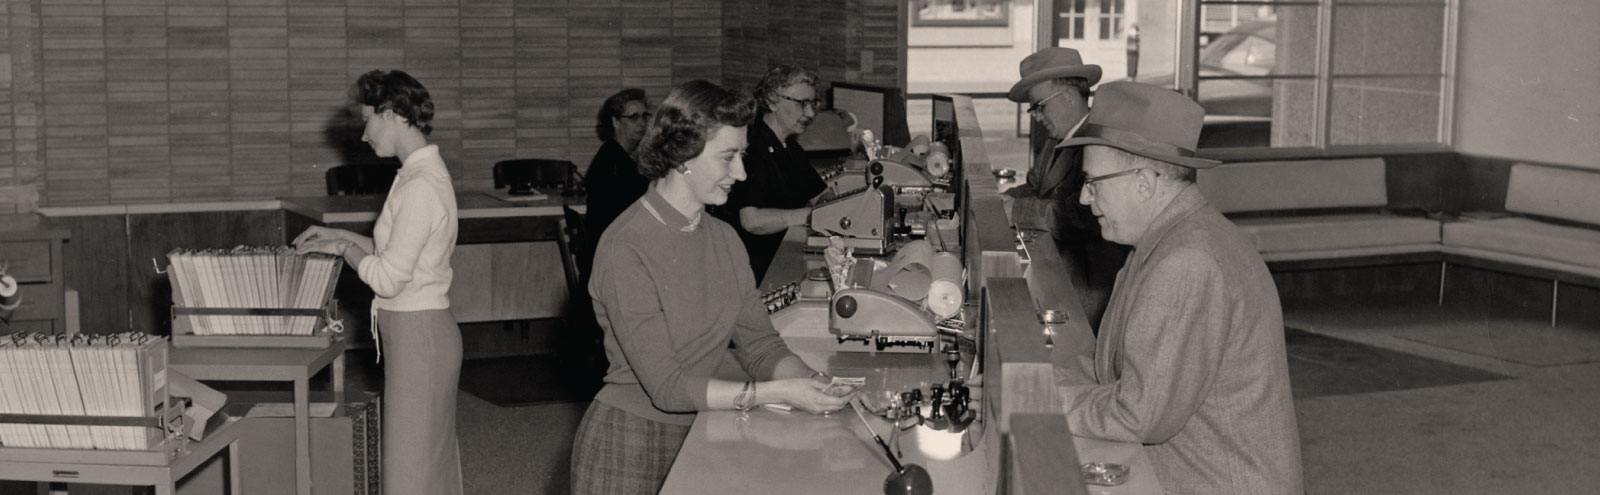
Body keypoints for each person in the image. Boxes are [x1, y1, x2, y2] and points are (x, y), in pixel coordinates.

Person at [571, 80, 853, 495]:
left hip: (709, 428)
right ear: (683, 154)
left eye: (742, 155)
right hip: (631, 444)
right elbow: (668, 388)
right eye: (729, 157)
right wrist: (779, 392)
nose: (740, 173)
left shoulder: (723, 238)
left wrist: (817, 385)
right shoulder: (625, 246)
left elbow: (761, 347)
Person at [1054, 81, 1303, 494]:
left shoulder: (1186, 262)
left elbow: (1138, 415)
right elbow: (1113, 369)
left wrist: (1041, 398)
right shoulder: (1166, 239)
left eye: (1093, 182)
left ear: (1144, 183)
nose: (1083, 198)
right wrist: (1035, 377)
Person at [293, 70, 463, 495]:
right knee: (423, 468)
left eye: (368, 121)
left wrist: (342, 251)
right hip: (418, 334)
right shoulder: (415, 174)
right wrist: (340, 237)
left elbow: (387, 279)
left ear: (391, 114)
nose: (365, 135)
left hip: (419, 335)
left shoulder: (421, 184)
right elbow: (393, 250)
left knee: (409, 474)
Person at [1003, 47, 1126, 328]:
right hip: (1055, 271)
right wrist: (1002, 199)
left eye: (1040, 106)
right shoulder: (1056, 137)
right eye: (1032, 109)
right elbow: (1036, 185)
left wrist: (1016, 211)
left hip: (1088, 289)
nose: (1036, 116)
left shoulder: (1097, 143)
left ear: (1069, 97)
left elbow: (1082, 215)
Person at [717, 65, 829, 284]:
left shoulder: (790, 146)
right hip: (753, 268)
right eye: (801, 103)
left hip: (781, 253)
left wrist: (828, 208)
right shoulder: (752, 146)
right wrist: (814, 215)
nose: (810, 113)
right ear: (771, 101)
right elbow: (751, 220)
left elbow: (821, 193)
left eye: (813, 103)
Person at [583, 88, 652, 276]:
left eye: (644, 116)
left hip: (609, 256)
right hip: (613, 264)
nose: (642, 123)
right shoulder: (614, 162)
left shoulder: (613, 155)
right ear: (615, 122)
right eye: (633, 117)